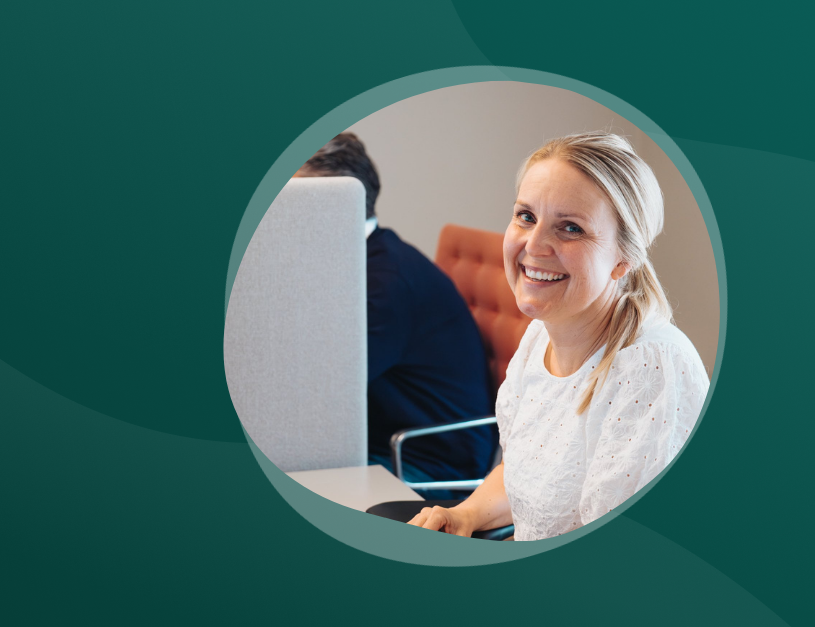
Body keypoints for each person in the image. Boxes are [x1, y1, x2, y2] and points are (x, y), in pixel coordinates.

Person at [407, 132, 709, 540]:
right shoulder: (539, 338)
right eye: (526, 217)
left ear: (623, 259)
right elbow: (533, 474)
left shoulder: (652, 370)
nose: (534, 245)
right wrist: (466, 515)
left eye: (570, 228)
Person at [295, 133, 496, 496]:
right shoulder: (357, 259)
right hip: (384, 437)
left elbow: (320, 394)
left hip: (427, 462)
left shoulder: (385, 284)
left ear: (341, 205)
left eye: (296, 200)